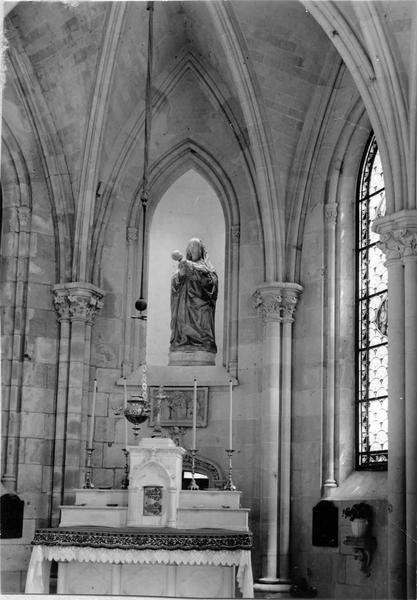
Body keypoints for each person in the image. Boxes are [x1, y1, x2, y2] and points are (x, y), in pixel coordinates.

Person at [170, 238, 218, 357]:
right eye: (190, 246)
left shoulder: (207, 267)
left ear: (201, 249)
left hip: (201, 306)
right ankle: (183, 340)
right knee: (183, 325)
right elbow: (175, 286)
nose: (192, 249)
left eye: (195, 246)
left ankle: (204, 343)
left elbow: (210, 281)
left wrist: (186, 263)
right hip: (185, 306)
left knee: (203, 326)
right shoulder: (183, 265)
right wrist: (180, 275)